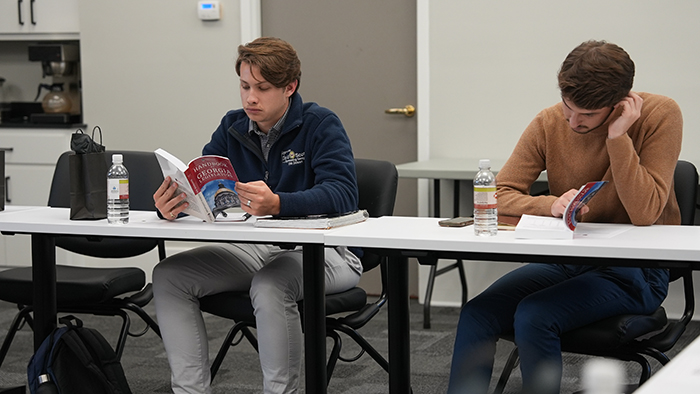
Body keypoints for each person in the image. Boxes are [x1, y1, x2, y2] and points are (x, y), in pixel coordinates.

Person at [447, 40, 683, 394]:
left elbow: (646, 212)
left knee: (534, 314)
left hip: (636, 270)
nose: (573, 121)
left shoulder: (660, 115)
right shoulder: (549, 121)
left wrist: (618, 138)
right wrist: (551, 205)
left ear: (619, 104)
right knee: (477, 312)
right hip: (569, 258)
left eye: (588, 115)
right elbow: (498, 194)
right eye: (568, 107)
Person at [151, 37, 363, 394]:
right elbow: (204, 184)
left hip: (327, 251)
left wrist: (279, 203)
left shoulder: (320, 124)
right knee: (169, 275)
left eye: (262, 89)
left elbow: (344, 194)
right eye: (245, 86)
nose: (250, 98)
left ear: (290, 87)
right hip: (256, 247)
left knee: (271, 284)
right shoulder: (232, 127)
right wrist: (173, 203)